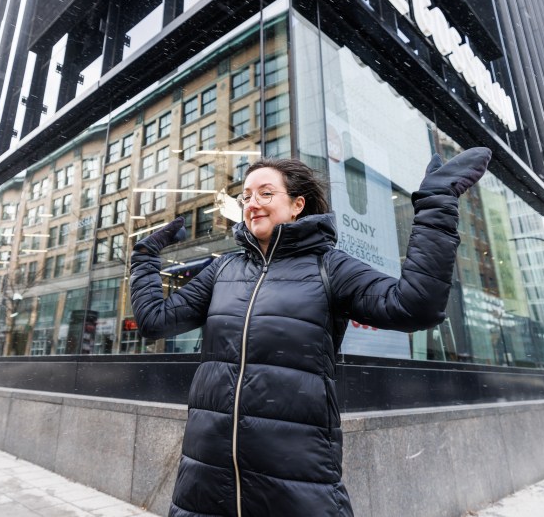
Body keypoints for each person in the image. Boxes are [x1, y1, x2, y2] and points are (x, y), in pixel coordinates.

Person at [129, 152, 491, 516]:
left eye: (266, 193)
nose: (252, 204)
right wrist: (144, 257)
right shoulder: (223, 270)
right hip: (206, 482)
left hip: (293, 481)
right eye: (246, 196)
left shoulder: (328, 267)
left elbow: (415, 306)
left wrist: (435, 206)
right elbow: (154, 321)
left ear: (297, 204)